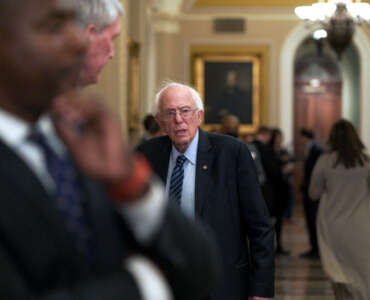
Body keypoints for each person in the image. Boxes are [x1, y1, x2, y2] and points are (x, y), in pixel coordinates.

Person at [0, 1, 220, 299]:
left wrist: (132, 187)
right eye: (53, 26)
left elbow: (199, 266)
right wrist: (144, 287)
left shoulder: (75, 140)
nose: (79, 40)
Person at [137, 82, 275, 300]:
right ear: (159, 122)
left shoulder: (231, 153)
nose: (178, 120)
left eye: (185, 111)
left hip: (220, 281)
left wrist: (261, 288)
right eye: (170, 113)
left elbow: (260, 226)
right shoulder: (146, 154)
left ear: (199, 116)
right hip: (165, 281)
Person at [309, 119, 370, 299]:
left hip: (334, 228)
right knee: (363, 275)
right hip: (361, 228)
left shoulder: (325, 161)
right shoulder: (366, 161)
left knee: (340, 276)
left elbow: (314, 193)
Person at [299, 128, 323, 259]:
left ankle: (317, 249)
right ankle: (313, 247)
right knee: (309, 219)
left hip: (313, 190)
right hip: (307, 189)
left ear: (305, 137)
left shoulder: (316, 150)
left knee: (313, 220)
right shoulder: (309, 149)